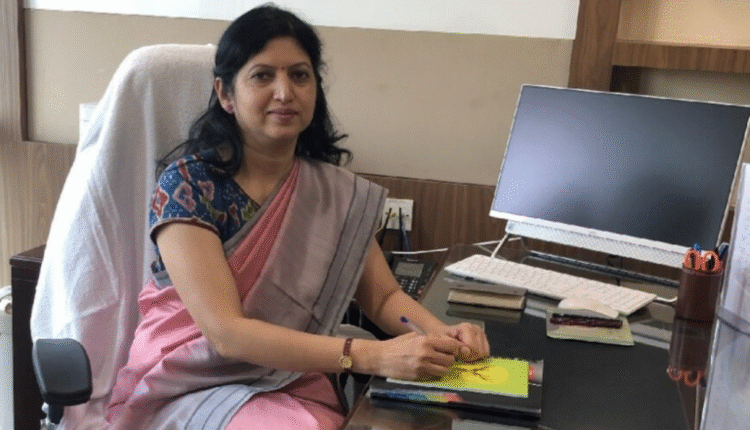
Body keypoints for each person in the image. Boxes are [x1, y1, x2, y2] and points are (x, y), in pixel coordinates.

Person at [106, 4, 490, 429]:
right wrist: (371, 355)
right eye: (262, 76)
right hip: (187, 382)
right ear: (225, 94)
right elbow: (226, 333)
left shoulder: (332, 193)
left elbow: (382, 299)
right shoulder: (189, 186)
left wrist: (442, 335)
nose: (284, 92)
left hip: (288, 376)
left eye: (300, 75)